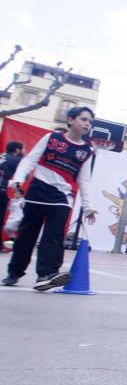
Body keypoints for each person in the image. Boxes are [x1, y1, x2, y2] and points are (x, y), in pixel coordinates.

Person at [2, 107, 98, 290]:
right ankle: (14, 272)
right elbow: (29, 160)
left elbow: (84, 181)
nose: (87, 124)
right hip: (37, 193)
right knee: (26, 236)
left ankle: (47, 275)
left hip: (62, 198)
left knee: (53, 237)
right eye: (83, 119)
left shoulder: (87, 151)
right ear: (70, 120)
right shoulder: (52, 138)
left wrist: (89, 207)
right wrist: (18, 179)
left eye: (90, 122)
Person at [0, 140, 24, 250]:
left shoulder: (2, 156)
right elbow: (25, 175)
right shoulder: (16, 159)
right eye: (22, 149)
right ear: (17, 150)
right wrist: (24, 158)